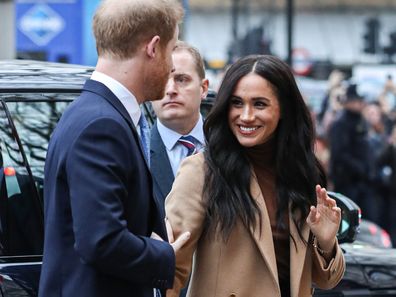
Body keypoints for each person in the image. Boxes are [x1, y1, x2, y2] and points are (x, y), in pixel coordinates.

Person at [39, 1, 190, 297]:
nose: (172, 65)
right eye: (172, 50)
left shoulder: (91, 113)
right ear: (153, 47)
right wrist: (165, 255)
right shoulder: (101, 125)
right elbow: (101, 240)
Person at [165, 55, 345, 297]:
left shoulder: (302, 172)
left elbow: (326, 281)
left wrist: (325, 243)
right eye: (237, 103)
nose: (246, 116)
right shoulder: (202, 171)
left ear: (283, 109)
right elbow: (170, 269)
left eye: (259, 104)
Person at [150, 41, 209, 216]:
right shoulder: (134, 151)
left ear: (204, 88)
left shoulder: (230, 145)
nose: (170, 90)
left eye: (181, 79)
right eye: (161, 80)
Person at [328, 83, 376, 222]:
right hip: (348, 182)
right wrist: (360, 168)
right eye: (358, 100)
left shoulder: (361, 120)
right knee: (350, 219)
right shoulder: (340, 123)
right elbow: (339, 154)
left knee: (367, 220)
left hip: (363, 182)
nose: (361, 104)